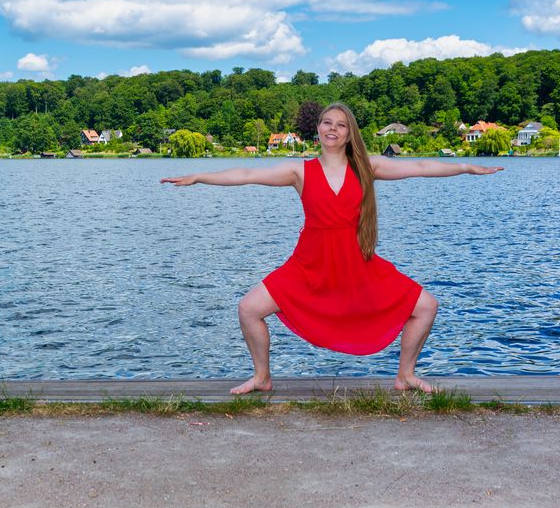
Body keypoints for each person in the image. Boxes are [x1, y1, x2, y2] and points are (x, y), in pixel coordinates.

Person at [161, 102, 503, 395]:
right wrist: (200, 176)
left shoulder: (367, 166)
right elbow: (247, 172)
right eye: (327, 123)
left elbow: (421, 167)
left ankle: (406, 375)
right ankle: (262, 377)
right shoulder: (299, 171)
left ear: (349, 132)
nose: (333, 129)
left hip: (357, 264)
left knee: (426, 306)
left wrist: (466, 167)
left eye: (341, 125)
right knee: (249, 308)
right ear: (319, 128)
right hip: (309, 265)